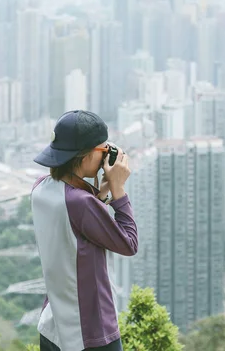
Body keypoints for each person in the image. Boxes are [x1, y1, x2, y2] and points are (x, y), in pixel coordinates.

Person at [31, 110, 138, 351]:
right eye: (103, 151)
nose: (105, 157)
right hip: (91, 332)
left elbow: (74, 232)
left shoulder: (40, 188)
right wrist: (119, 191)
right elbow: (129, 243)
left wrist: (100, 195)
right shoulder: (81, 203)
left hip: (53, 323)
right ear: (86, 155)